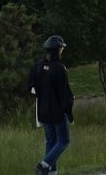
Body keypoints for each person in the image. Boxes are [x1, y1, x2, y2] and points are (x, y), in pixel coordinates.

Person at [27, 35, 75, 175]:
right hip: (57, 113)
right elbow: (65, 94)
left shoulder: (37, 66)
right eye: (61, 48)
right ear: (57, 50)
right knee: (64, 140)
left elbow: (31, 87)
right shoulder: (60, 68)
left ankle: (51, 173)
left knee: (51, 142)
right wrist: (70, 114)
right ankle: (44, 165)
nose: (62, 50)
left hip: (43, 112)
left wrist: (40, 93)